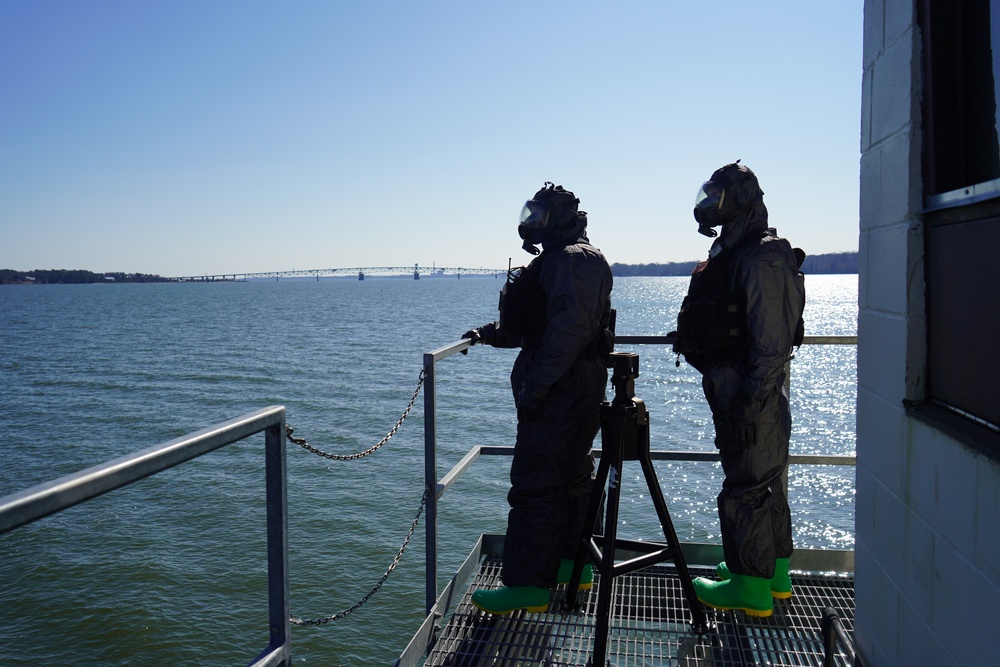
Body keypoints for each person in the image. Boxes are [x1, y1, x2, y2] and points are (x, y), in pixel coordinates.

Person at [461, 182, 613, 615]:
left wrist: (537, 387)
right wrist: (488, 334)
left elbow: (568, 335)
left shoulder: (574, 262)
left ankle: (528, 585)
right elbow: (537, 323)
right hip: (564, 385)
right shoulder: (558, 260)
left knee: (536, 482)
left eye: (539, 216)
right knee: (568, 479)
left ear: (558, 219)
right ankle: (570, 566)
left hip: (562, 389)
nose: (531, 223)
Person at [673, 161, 805, 618]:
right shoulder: (737, 250)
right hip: (738, 389)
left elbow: (771, 342)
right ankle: (774, 575)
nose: (709, 205)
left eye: (717, 197)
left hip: (752, 395)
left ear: (740, 201)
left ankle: (750, 589)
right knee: (764, 483)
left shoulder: (762, 255)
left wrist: (750, 396)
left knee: (748, 486)